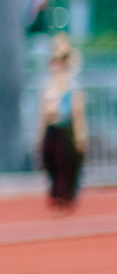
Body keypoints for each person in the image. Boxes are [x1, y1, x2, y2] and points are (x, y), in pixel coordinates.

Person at [38, 36, 87, 211]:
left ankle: (65, 196)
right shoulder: (48, 83)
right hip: (52, 126)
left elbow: (77, 112)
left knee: (66, 162)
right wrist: (40, 134)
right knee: (51, 160)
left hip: (66, 127)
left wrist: (80, 135)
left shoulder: (72, 83)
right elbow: (43, 111)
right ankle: (57, 194)